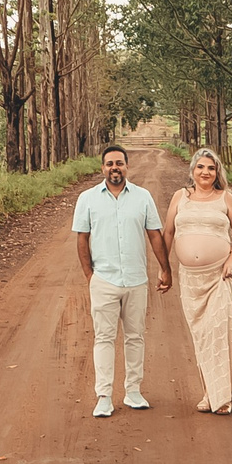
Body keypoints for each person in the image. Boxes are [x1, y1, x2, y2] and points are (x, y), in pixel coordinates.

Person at [73, 144, 171, 418]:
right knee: (104, 338)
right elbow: (82, 238)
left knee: (135, 337)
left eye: (119, 163)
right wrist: (90, 276)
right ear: (102, 168)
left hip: (136, 280)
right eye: (109, 164)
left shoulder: (142, 197)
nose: (114, 168)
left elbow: (154, 234)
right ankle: (104, 396)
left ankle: (133, 391)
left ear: (127, 166)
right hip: (103, 280)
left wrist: (166, 269)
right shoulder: (88, 198)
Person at [168, 147, 232, 414]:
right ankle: (211, 391)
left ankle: (220, 397)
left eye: (211, 168)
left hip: (219, 276)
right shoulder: (180, 197)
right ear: (192, 170)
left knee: (216, 332)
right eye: (201, 167)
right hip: (190, 279)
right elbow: (168, 233)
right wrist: (163, 268)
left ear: (217, 173)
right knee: (201, 336)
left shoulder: (225, 198)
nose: (206, 172)